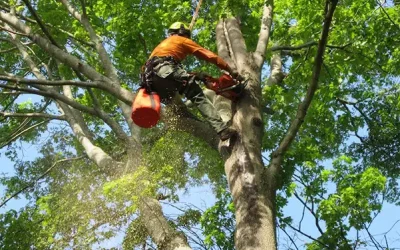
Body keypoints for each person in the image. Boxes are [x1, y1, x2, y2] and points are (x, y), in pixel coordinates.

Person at [142, 22, 243, 140]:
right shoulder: (181, 40)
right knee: (197, 96)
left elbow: (174, 75)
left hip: (151, 83)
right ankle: (221, 129)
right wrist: (230, 70)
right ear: (182, 32)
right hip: (165, 69)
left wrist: (197, 76)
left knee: (181, 108)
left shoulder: (162, 47)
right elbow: (209, 56)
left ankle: (200, 125)